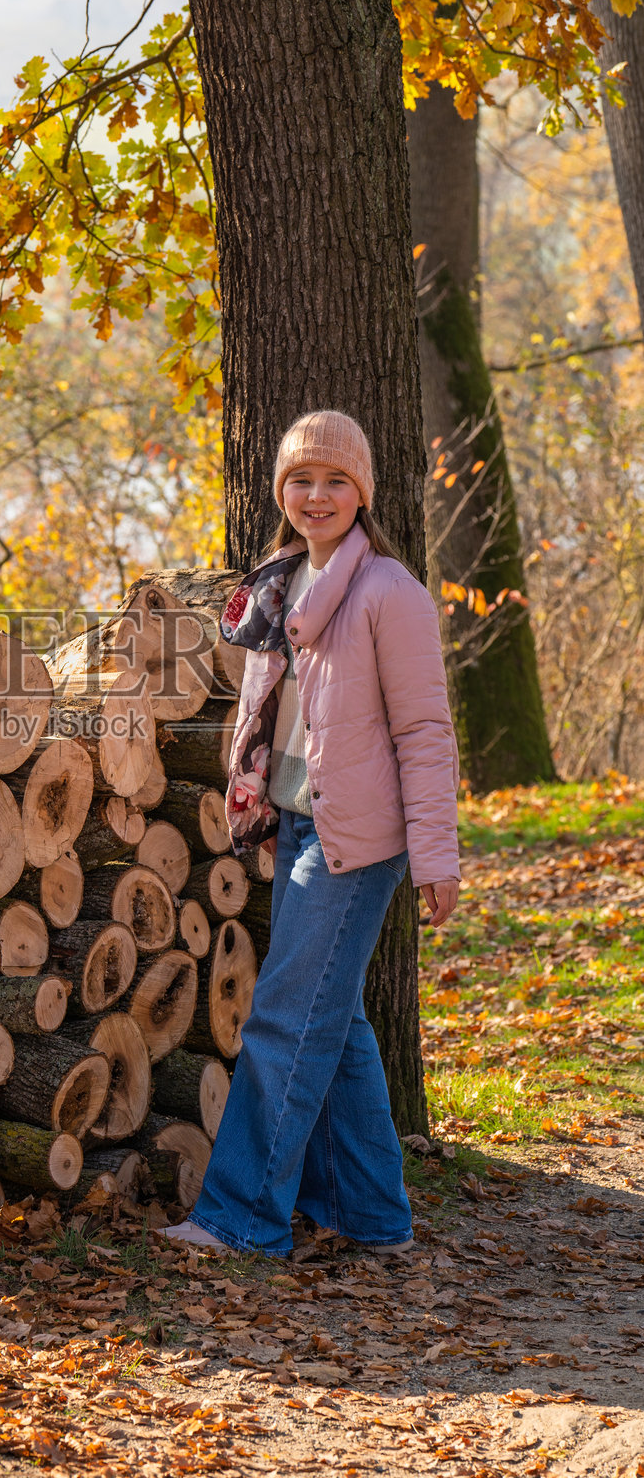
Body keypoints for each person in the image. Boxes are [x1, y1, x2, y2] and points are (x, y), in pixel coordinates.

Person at [165, 409, 460, 1258]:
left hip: (354, 841)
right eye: (300, 479)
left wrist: (436, 856)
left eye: (335, 481)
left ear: (361, 492)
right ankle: (372, 1219)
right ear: (280, 491)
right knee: (330, 1019)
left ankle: (240, 1219)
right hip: (294, 821)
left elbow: (425, 734)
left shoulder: (387, 594)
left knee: (284, 1021)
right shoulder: (280, 586)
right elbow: (273, 716)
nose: (316, 495)